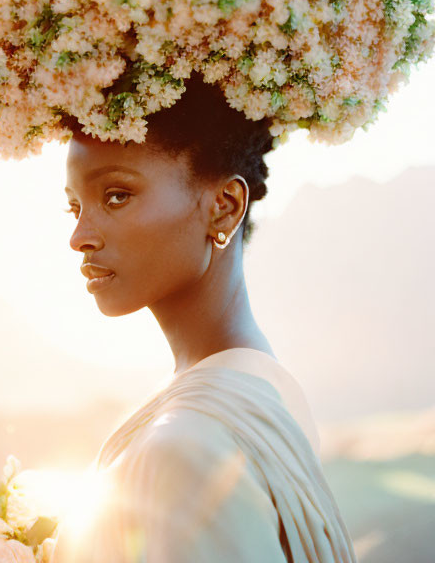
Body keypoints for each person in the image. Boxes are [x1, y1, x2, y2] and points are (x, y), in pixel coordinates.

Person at [51, 74, 356, 562]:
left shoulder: (185, 446)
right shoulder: (261, 388)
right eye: (74, 207)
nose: (80, 236)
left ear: (224, 207)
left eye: (115, 196)